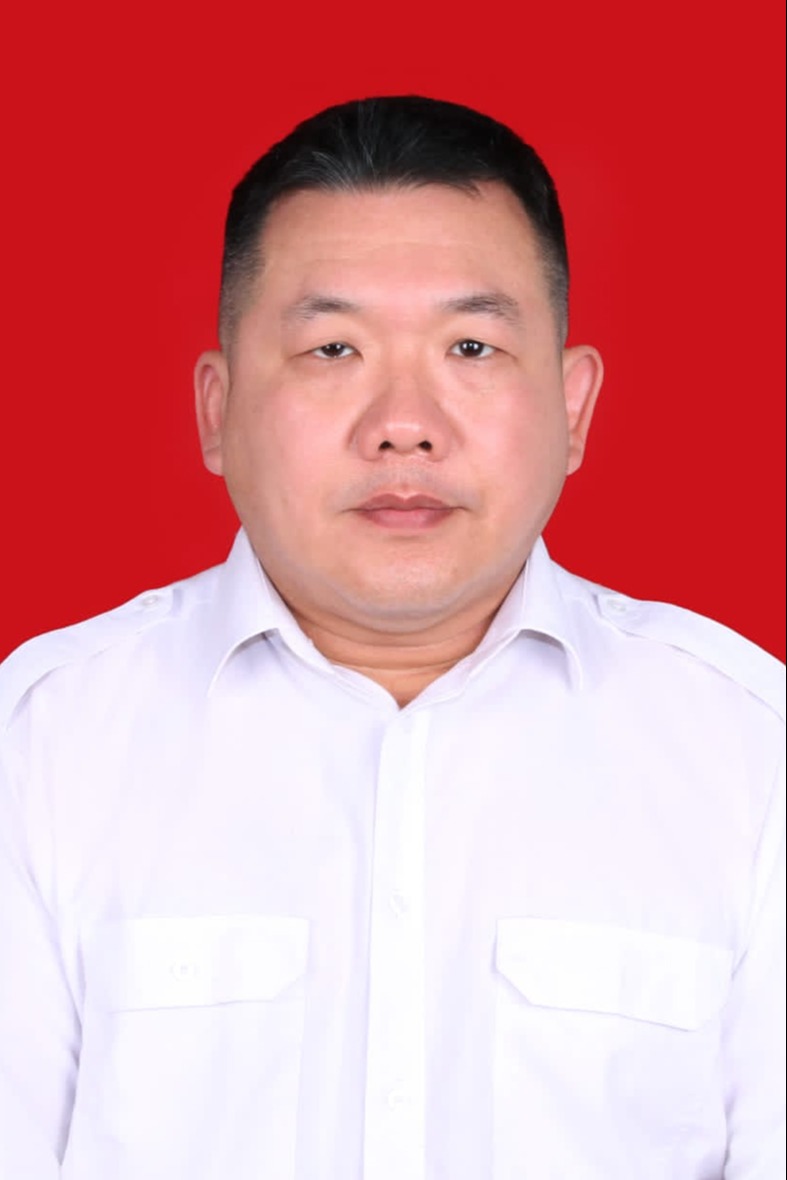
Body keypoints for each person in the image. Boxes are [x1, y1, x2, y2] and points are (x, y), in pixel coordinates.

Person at [0, 95, 783, 1180]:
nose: (403, 424)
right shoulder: (40, 744)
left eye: (470, 346)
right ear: (217, 410)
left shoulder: (748, 750)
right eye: (333, 348)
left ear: (572, 408)